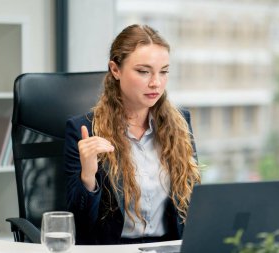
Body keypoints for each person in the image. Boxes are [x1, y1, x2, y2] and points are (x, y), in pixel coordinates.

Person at [64, 24, 201, 245]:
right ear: (115, 70)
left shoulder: (179, 123)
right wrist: (88, 178)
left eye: (164, 71)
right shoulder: (85, 130)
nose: (156, 83)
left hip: (169, 246)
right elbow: (79, 225)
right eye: (143, 71)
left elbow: (192, 202)